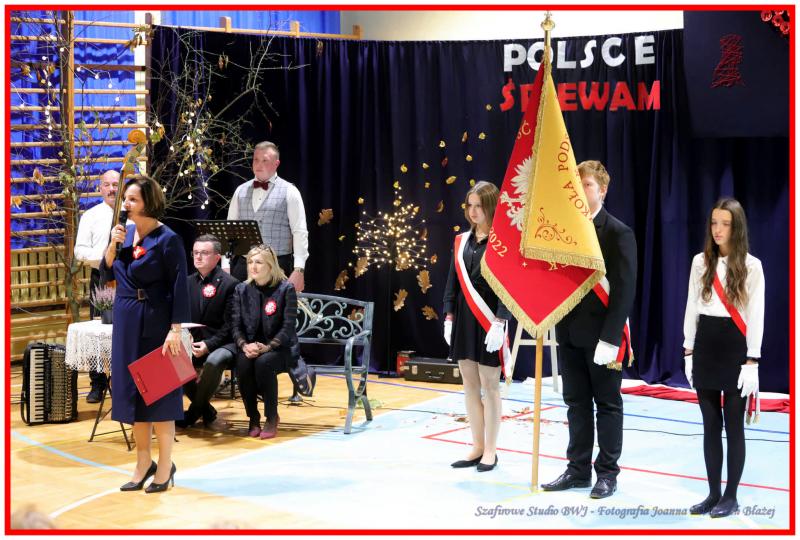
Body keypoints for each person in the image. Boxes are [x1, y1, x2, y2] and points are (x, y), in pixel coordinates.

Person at [542, 160, 637, 499]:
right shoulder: (565, 230)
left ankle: (607, 473)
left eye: (588, 185)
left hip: (603, 338)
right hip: (569, 332)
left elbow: (624, 290)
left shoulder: (617, 232)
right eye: (577, 185)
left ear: (603, 190)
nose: (581, 191)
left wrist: (610, 339)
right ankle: (578, 469)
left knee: (607, 405)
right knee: (576, 404)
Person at [102, 175, 190, 493]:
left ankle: (165, 466)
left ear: (148, 203)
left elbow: (179, 286)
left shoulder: (168, 239)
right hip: (126, 320)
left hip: (155, 321)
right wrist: (111, 247)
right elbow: (106, 272)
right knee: (133, 396)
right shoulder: (124, 235)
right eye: (125, 198)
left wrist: (175, 329)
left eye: (133, 199)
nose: (125, 203)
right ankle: (143, 463)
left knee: (159, 395)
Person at [682, 197, 764, 518]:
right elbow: (691, 305)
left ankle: (731, 496)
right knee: (710, 426)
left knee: (733, 426)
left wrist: (752, 360)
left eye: (725, 224)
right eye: (714, 223)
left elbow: (755, 314)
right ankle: (713, 493)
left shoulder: (752, 266)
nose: (718, 230)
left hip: (735, 348)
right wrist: (688, 350)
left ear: (736, 227)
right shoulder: (699, 262)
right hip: (705, 346)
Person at [443, 181, 510, 473]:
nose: (473, 211)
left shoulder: (502, 242)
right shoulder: (461, 241)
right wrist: (448, 316)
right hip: (464, 319)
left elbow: (509, 286)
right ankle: (478, 445)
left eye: (479, 206)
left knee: (490, 386)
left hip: (490, 320)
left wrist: (501, 320)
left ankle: (491, 450)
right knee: (469, 385)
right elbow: (452, 282)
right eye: (469, 205)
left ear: (491, 206)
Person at [231, 244, 298, 439]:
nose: (253, 266)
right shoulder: (241, 289)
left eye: (259, 262)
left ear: (270, 265)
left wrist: (268, 347)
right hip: (251, 347)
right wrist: (244, 345)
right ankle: (253, 417)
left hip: (280, 348)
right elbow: (235, 325)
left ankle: (271, 417)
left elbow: (288, 327)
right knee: (243, 363)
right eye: (250, 262)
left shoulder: (286, 289)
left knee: (264, 362)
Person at [176, 234, 239, 430]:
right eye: (195, 252)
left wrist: (209, 345)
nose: (198, 256)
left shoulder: (230, 284)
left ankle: (193, 413)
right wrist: (186, 339)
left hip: (225, 342)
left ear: (217, 257)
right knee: (175, 360)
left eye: (204, 253)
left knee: (213, 361)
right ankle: (207, 411)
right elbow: (182, 316)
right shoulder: (187, 282)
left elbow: (231, 325)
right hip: (195, 341)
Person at [227, 141, 308, 292]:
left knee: (274, 307)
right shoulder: (240, 191)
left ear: (276, 164)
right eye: (256, 160)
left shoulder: (290, 191)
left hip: (277, 266)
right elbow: (230, 231)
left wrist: (299, 269)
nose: (259, 164)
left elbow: (299, 231)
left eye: (265, 160)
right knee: (238, 306)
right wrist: (226, 266)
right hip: (243, 265)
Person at [73, 169, 120, 402]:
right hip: (101, 278)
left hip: (130, 279)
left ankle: (124, 381)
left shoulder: (132, 213)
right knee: (98, 331)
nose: (112, 189)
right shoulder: (90, 216)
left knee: (128, 328)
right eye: (107, 185)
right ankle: (97, 384)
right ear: (100, 188)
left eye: (116, 184)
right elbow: (79, 251)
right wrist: (104, 256)